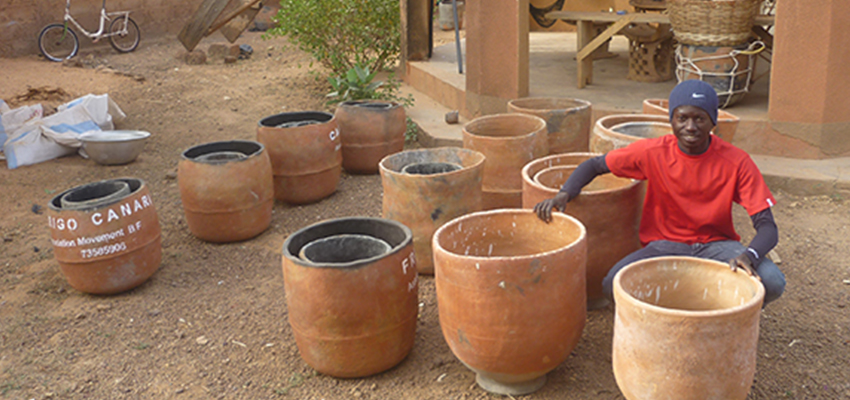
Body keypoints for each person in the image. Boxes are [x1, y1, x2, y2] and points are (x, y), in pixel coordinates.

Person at [534, 80, 785, 305]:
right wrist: (564, 194)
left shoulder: (736, 161)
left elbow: (767, 226)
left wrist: (749, 255)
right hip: (664, 245)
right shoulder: (652, 152)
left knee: (772, 282)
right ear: (671, 120)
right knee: (612, 285)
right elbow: (595, 165)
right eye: (682, 118)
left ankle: (725, 314)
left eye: (699, 118)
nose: (690, 127)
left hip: (716, 246)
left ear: (713, 121)